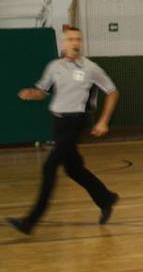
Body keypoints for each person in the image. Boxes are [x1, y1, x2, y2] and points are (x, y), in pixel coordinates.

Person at [6, 27, 120, 235]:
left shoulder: (90, 68)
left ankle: (30, 222)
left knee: (49, 166)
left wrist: (103, 121)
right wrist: (32, 94)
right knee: (74, 169)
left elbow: (112, 92)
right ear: (63, 43)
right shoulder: (54, 67)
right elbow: (43, 92)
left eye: (78, 39)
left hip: (75, 122)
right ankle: (106, 198)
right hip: (57, 123)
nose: (75, 42)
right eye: (71, 39)